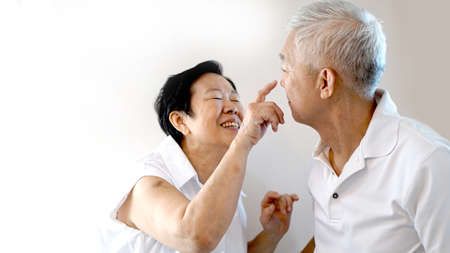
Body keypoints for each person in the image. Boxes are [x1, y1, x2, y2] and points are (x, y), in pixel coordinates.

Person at [276, 0, 450, 252]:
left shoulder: (429, 163)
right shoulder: (322, 163)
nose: (282, 82)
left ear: (325, 82)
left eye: (286, 69)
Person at [100, 60, 299, 253]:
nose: (233, 109)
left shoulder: (226, 184)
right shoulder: (146, 181)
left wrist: (272, 234)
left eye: (235, 99)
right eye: (216, 98)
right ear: (180, 121)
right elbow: (195, 237)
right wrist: (244, 141)